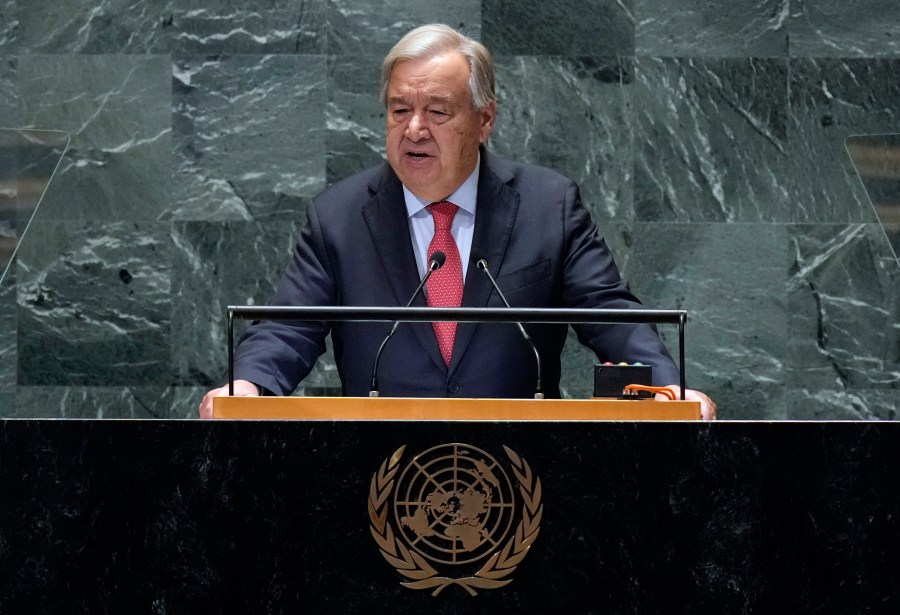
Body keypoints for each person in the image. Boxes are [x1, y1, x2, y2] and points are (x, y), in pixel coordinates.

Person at [199, 23, 716, 420]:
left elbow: (609, 314)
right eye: (400, 111)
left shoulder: (547, 206)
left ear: (485, 119)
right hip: (378, 470)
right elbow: (289, 325)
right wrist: (248, 387)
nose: (415, 130)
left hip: (522, 468)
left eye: (438, 112)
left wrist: (669, 390)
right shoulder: (339, 217)